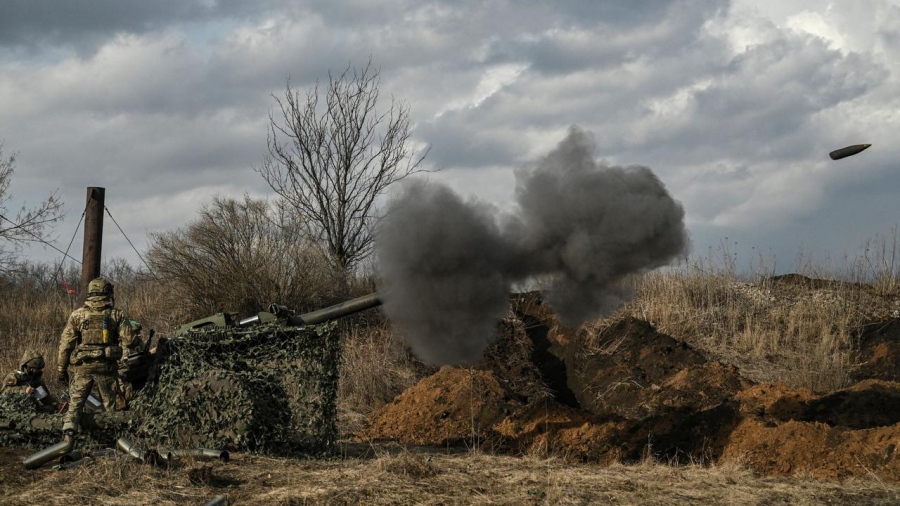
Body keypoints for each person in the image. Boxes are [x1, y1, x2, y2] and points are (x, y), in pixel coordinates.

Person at [57, 276, 137, 436]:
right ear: (108, 293)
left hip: (82, 368)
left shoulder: (77, 315)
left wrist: (61, 368)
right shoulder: (116, 315)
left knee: (75, 405)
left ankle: (69, 435)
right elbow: (129, 340)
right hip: (106, 368)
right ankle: (114, 439)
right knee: (110, 407)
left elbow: (66, 345)